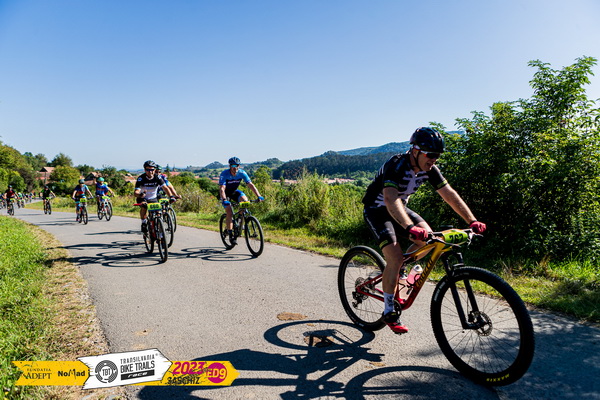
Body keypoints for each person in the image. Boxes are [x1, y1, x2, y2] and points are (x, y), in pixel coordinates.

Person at [362, 127, 487, 334]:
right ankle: (389, 310)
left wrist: (472, 220)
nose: (434, 160)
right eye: (430, 155)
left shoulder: (430, 169)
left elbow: (449, 194)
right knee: (394, 256)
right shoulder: (396, 164)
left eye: (437, 156)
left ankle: (399, 270)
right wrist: (409, 227)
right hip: (377, 210)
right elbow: (390, 199)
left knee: (429, 240)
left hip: (400, 208)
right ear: (415, 151)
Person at [219, 157, 264, 243]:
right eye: (233, 165)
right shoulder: (224, 174)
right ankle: (230, 234)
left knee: (245, 202)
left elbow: (250, 185)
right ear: (230, 166)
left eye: (237, 165)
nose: (235, 167)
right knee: (229, 212)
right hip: (225, 194)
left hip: (234, 192)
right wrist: (224, 199)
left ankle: (238, 220)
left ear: (239, 166)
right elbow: (222, 189)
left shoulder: (242, 173)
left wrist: (259, 196)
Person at [134, 160, 174, 232]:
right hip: (143, 198)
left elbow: (165, 188)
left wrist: (171, 196)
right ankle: (144, 222)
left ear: (155, 170)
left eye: (152, 169)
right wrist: (140, 194)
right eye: (148, 170)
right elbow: (136, 192)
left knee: (159, 214)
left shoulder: (158, 177)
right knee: (144, 207)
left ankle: (160, 232)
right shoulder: (141, 178)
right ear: (145, 170)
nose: (150, 172)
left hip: (153, 198)